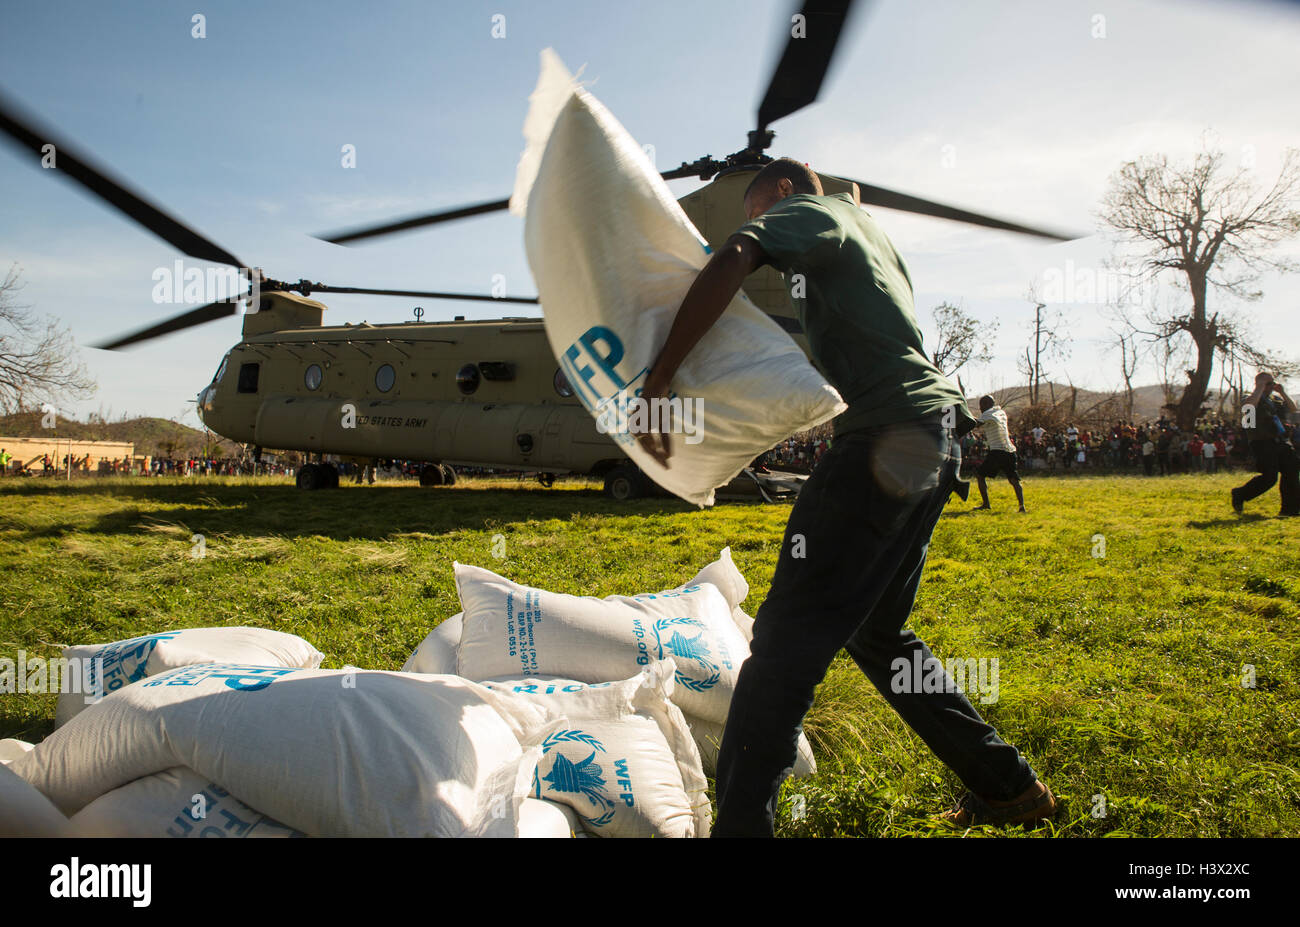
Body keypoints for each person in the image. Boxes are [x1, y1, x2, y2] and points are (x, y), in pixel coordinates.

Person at [634, 157, 1054, 836]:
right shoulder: (864, 230)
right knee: (878, 633)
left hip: (886, 436)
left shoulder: (810, 210)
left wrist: (660, 378)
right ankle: (1008, 785)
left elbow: (738, 253)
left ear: (779, 191)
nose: (761, 226)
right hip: (932, 432)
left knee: (784, 642)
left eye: (760, 209)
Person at [1231, 372, 1299, 517]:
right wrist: (1260, 387)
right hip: (1262, 442)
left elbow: (1293, 409)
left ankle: (1290, 510)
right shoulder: (1249, 397)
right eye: (1268, 383)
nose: (1271, 386)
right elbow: (1248, 407)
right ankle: (1240, 494)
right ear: (1259, 383)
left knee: (1292, 472)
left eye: (1272, 383)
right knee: (1269, 477)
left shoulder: (1274, 399)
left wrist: (1283, 392)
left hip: (1281, 440)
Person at [972, 396, 1027, 512]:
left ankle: (986, 504)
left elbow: (975, 424)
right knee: (1014, 480)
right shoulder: (1000, 412)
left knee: (980, 475)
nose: (980, 408)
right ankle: (1022, 506)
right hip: (1010, 450)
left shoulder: (988, 413)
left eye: (981, 405)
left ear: (986, 404)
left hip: (997, 451)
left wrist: (964, 414)